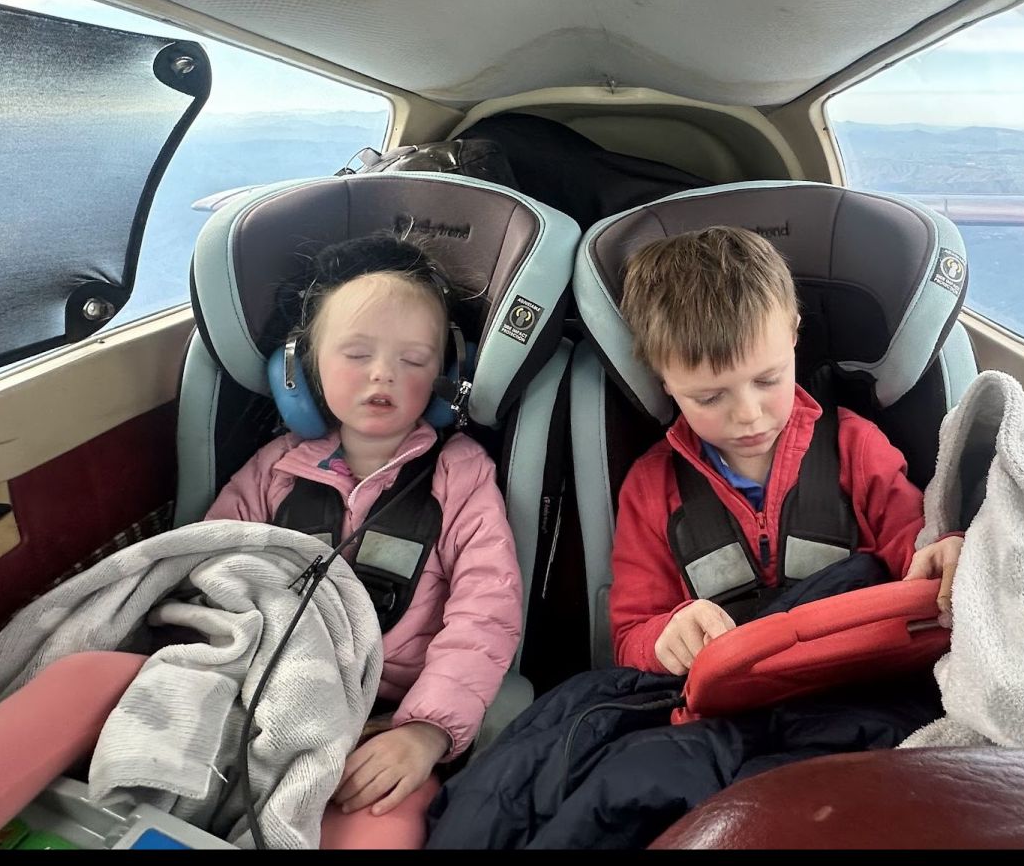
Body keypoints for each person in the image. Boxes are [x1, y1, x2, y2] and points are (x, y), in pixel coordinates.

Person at [205, 232, 521, 847]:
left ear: (444, 374)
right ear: (300, 368)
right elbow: (214, 562)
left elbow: (488, 609)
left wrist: (426, 731)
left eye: (413, 360)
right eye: (357, 353)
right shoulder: (274, 467)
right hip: (261, 689)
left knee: (383, 820)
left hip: (386, 720)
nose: (384, 374)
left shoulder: (461, 475)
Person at [608, 225, 964, 676]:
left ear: (794, 337)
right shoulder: (651, 488)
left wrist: (940, 550)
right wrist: (665, 637)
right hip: (733, 698)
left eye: (767, 380)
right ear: (665, 383)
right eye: (710, 398)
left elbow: (912, 544)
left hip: (851, 677)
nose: (749, 415)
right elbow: (630, 636)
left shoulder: (855, 446)